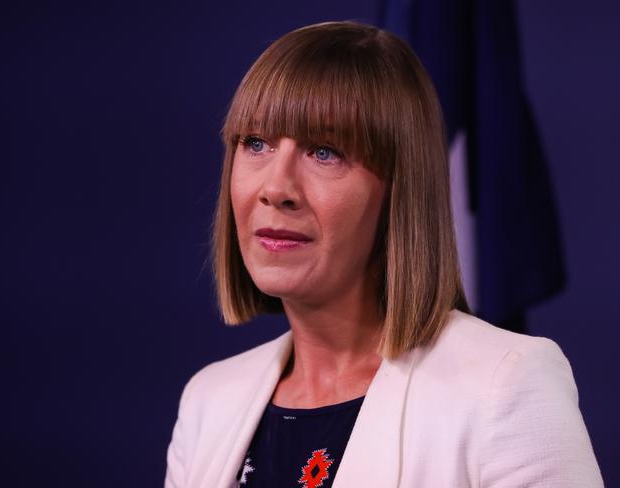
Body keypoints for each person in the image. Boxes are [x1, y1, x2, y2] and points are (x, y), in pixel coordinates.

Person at [165, 21, 603, 488]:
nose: (276, 188)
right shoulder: (209, 401)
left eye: (325, 152)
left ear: (399, 190)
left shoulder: (506, 383)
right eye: (256, 143)